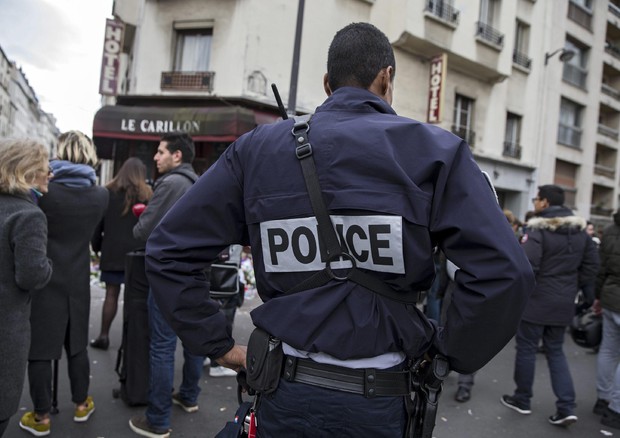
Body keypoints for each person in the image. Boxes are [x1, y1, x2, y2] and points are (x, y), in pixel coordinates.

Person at [145, 22, 534, 437]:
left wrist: (216, 345)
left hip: (281, 392)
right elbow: (505, 273)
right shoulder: (435, 151)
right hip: (384, 400)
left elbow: (168, 250)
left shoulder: (257, 150)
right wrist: (448, 353)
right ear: (387, 77)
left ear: (327, 83)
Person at [20, 131, 108, 437]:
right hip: (78, 277)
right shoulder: (100, 195)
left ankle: (41, 415)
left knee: (41, 349)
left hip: (44, 276)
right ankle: (82, 402)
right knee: (77, 344)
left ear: (60, 151)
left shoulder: (44, 192)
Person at [501, 184, 599, 427]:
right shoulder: (581, 233)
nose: (534, 202)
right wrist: (586, 295)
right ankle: (566, 407)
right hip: (564, 301)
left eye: (536, 199)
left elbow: (527, 266)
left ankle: (522, 399)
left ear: (544, 203)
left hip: (535, 302)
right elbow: (590, 267)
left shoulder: (537, 230)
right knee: (555, 351)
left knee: (526, 349)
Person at [129, 132, 202, 438]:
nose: (155, 158)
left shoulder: (169, 184)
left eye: (161, 152)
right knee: (194, 340)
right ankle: (188, 396)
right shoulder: (198, 183)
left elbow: (142, 232)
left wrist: (144, 215)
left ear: (177, 156)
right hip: (196, 272)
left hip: (167, 275)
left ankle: (158, 419)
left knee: (162, 345)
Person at [0, 140, 53, 437]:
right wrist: (49, 265)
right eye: (46, 165)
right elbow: (32, 277)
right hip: (6, 332)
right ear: (29, 170)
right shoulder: (29, 215)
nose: (50, 173)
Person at [90, 157, 153, 350]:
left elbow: (97, 226)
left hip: (113, 251)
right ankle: (130, 341)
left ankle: (104, 335)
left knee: (111, 294)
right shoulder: (148, 194)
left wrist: (98, 247)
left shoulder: (107, 193)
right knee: (134, 299)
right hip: (138, 253)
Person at [593, 210, 620, 429]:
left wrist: (598, 296)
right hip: (611, 296)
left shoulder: (611, 231)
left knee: (609, 350)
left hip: (610, 296)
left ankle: (603, 398)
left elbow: (601, 269)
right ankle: (616, 409)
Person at [208, 244, 245, 378]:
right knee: (225, 319)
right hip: (226, 269)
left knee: (211, 314)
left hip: (214, 268)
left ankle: (209, 356)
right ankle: (217, 364)